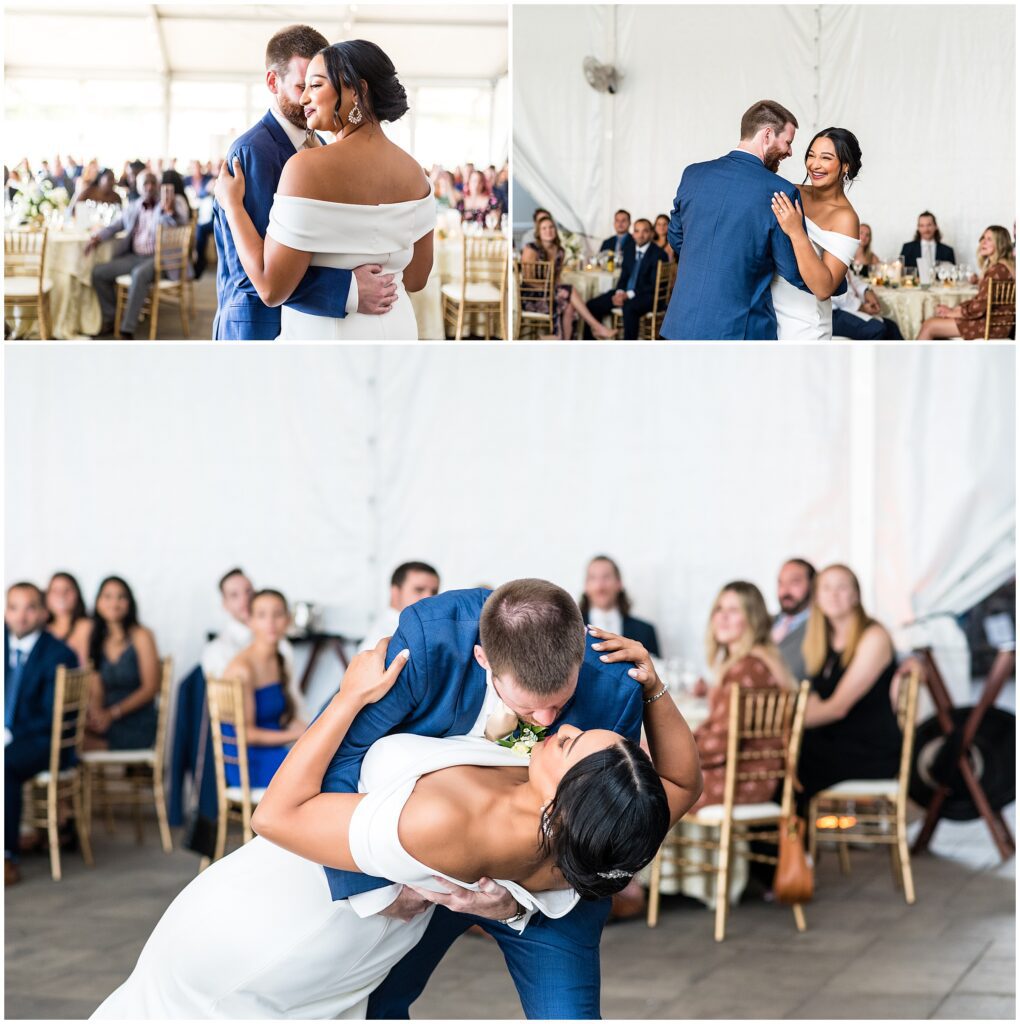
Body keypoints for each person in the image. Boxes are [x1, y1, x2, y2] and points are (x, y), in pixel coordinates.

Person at [92, 608, 701, 1018]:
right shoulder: (611, 821)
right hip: (279, 912)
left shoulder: (444, 823)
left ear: (564, 801)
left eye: (570, 739)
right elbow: (681, 782)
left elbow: (276, 816)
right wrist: (654, 687)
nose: (560, 727)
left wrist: (348, 696)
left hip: (293, 915)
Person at [215, 37, 434, 341]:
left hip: (327, 343)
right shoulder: (416, 175)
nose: (304, 99)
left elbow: (269, 287)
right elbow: (416, 278)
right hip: (397, 333)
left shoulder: (306, 167)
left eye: (315, 86)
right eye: (303, 87)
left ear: (357, 90)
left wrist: (233, 207)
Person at [660, 99, 813, 340]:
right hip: (740, 331)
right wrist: (834, 280)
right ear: (767, 135)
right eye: (788, 142)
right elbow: (793, 270)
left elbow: (677, 239)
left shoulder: (693, 174)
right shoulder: (780, 191)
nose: (790, 151)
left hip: (682, 324)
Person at [796, 564, 902, 801]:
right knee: (779, 757)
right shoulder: (821, 641)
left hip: (868, 749)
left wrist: (787, 721)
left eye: (842, 587)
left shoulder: (874, 637)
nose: (833, 594)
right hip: (835, 742)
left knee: (787, 762)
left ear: (855, 595)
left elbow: (837, 707)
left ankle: (790, 835)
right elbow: (811, 698)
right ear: (817, 597)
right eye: (826, 588)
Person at [690, 582, 794, 810]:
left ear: (752, 618)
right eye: (719, 609)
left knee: (653, 784)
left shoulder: (746, 669)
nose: (723, 617)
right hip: (753, 777)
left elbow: (721, 740)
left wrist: (668, 751)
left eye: (734, 610)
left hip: (741, 779)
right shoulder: (760, 661)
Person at [5, 583, 79, 886]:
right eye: (13, 607)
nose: (21, 616)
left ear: (43, 612)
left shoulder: (58, 653)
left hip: (41, 742)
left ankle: (7, 856)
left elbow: (50, 717)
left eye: (30, 607)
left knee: (4, 767)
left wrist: (8, 734)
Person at [769, 127, 862, 339]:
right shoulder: (791, 192)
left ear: (845, 165)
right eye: (811, 155)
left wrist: (796, 231)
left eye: (826, 158)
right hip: (768, 315)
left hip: (806, 325)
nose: (814, 164)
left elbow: (824, 287)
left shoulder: (845, 218)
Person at [85, 170, 189, 339]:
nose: (149, 187)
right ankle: (111, 317)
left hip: (159, 259)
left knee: (138, 274)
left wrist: (169, 212)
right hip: (135, 256)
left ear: (158, 185)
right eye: (145, 184)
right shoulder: (133, 207)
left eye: (152, 183)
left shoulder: (167, 204)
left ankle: (127, 328)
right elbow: (115, 226)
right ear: (138, 188)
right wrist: (97, 237)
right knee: (99, 273)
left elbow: (181, 224)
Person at [221, 590, 306, 788]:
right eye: (261, 615)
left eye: (277, 614)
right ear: (249, 621)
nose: (270, 623)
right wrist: (297, 735)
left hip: (275, 748)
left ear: (288, 619)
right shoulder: (243, 668)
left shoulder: (279, 659)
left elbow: (283, 716)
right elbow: (245, 734)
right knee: (315, 772)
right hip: (248, 760)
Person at [81, 577, 160, 752]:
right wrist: (96, 715)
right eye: (107, 596)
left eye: (121, 597)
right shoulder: (97, 639)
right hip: (107, 719)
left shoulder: (142, 635)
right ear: (98, 602)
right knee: (66, 736)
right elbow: (96, 688)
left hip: (137, 720)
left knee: (77, 746)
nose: (114, 603)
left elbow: (151, 688)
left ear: (130, 602)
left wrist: (112, 713)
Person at [521, 215, 615, 339]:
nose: (548, 231)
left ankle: (563, 340)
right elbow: (527, 280)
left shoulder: (559, 251)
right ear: (539, 232)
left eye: (551, 227)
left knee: (570, 304)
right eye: (544, 228)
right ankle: (596, 327)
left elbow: (557, 278)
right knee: (569, 290)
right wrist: (549, 289)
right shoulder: (531, 249)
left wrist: (555, 290)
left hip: (552, 295)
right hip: (531, 296)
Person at [917, 225, 1015, 340]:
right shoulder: (1004, 267)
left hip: (990, 326)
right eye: (983, 238)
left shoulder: (997, 270)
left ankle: (914, 358)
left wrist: (952, 313)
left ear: (1000, 243)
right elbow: (981, 301)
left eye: (989, 239)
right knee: (935, 322)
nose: (983, 242)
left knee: (929, 325)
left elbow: (980, 307)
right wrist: (955, 310)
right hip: (996, 324)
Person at [201, 567, 295, 682]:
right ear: (224, 604)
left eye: (248, 591)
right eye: (234, 595)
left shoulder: (281, 644)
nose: (245, 599)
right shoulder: (216, 651)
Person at [584, 218, 667, 339]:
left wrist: (628, 295)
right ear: (633, 234)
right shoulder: (629, 250)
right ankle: (590, 345)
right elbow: (624, 276)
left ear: (651, 233)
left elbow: (652, 285)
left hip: (648, 296)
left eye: (645, 231)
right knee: (591, 305)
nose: (640, 235)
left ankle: (628, 349)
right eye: (637, 231)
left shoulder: (659, 254)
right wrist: (620, 292)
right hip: (626, 293)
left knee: (629, 308)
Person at [579, 555, 660, 656]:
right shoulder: (571, 630)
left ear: (619, 583)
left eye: (606, 577)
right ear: (586, 586)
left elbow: (655, 671)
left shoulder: (645, 631)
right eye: (593, 578)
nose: (600, 586)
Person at [358, 561, 441, 653]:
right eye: (419, 590)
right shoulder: (379, 641)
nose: (429, 597)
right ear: (395, 591)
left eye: (434, 592)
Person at [770, 559, 815, 683]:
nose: (785, 591)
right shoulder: (764, 623)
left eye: (794, 582)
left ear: (813, 585)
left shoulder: (821, 628)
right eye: (781, 583)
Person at [832, 269, 904, 340]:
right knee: (876, 330)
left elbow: (852, 278)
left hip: (846, 308)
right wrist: (861, 307)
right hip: (833, 313)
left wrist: (866, 291)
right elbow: (836, 294)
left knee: (891, 327)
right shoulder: (827, 258)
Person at [44, 571, 90, 666]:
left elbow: (84, 667)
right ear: (46, 596)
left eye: (67, 590)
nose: (61, 595)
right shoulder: (42, 629)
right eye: (55, 591)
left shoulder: (85, 626)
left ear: (77, 594)